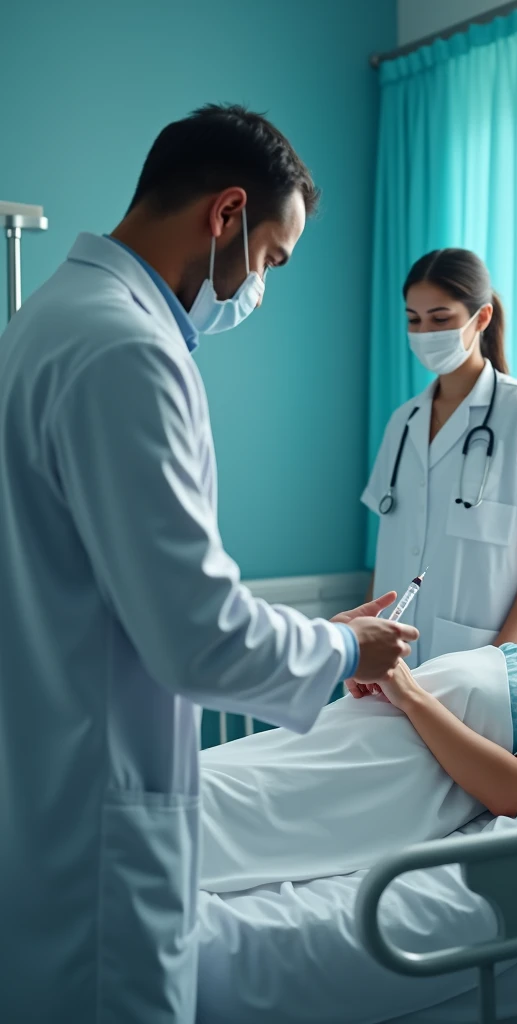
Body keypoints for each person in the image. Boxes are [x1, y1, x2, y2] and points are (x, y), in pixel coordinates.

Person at [0, 105, 418, 1024]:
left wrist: (323, 636)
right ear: (227, 214)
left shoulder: (46, 321)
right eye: (269, 259)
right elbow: (198, 637)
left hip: (47, 790)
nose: (257, 288)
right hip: (100, 825)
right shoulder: (127, 351)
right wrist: (349, 653)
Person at [197, 506, 517, 894]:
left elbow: (516, 792)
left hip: (346, 789)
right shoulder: (513, 652)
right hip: (309, 746)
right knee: (180, 784)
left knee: (185, 815)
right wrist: (367, 680)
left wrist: (407, 692)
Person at [362, 249, 517, 668]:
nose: (425, 331)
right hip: (393, 661)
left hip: (481, 660)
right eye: (414, 319)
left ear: (481, 318)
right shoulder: (403, 422)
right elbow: (390, 549)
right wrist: (368, 639)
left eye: (440, 318)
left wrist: (496, 655)